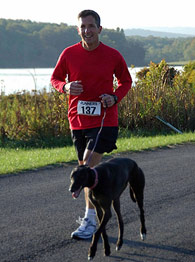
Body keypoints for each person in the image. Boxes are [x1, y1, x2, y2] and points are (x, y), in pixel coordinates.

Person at [51, 9, 132, 240]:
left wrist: (114, 97)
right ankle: (98, 210)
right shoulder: (68, 54)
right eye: (83, 27)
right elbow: (55, 79)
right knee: (87, 170)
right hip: (77, 121)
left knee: (86, 168)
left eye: (91, 26)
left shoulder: (113, 55)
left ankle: (89, 221)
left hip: (105, 120)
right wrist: (65, 87)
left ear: (99, 29)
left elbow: (126, 81)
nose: (87, 31)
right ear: (78, 30)